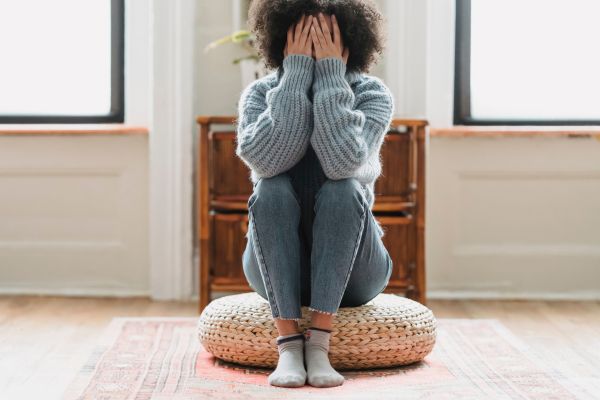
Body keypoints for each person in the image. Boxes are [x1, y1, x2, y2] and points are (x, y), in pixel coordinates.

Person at [235, 0, 394, 388]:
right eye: (304, 33)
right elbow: (269, 162)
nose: (314, 41)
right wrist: (295, 77)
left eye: (326, 35)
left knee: (342, 189)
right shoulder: (259, 94)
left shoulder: (371, 94)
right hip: (273, 267)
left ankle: (319, 343)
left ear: (349, 39)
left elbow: (342, 164)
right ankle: (289, 343)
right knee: (270, 188)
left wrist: (330, 77)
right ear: (282, 38)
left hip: (356, 271)